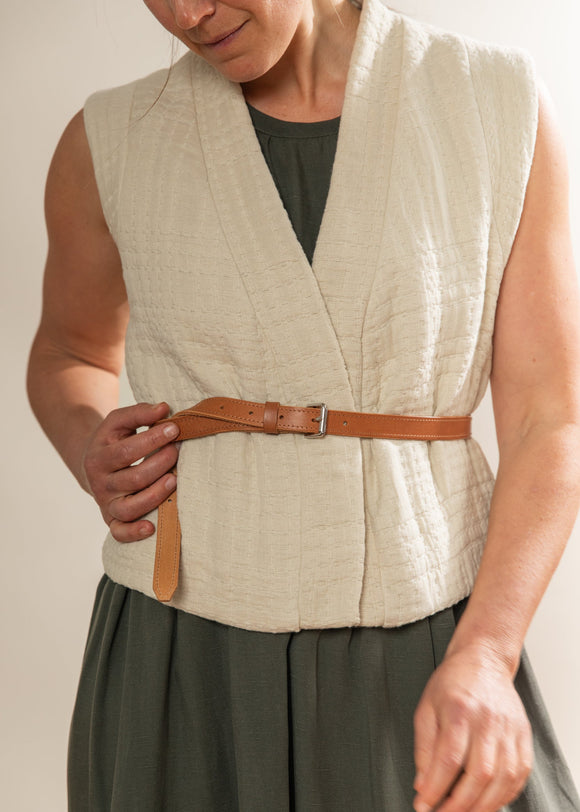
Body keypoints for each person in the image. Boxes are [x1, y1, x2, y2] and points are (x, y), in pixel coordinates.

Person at [27, 0, 580, 810]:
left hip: (428, 639)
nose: (187, 13)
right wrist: (88, 444)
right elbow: (69, 351)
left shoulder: (493, 105)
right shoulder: (108, 140)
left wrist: (488, 654)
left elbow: (550, 422)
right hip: (179, 649)